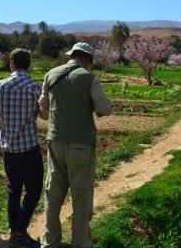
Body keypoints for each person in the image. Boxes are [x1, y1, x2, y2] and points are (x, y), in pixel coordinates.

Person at [38, 42, 113, 248]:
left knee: (53, 193)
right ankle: (80, 242)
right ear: (87, 59)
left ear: (71, 55)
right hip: (81, 143)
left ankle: (50, 242)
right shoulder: (89, 78)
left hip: (55, 140)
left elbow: (43, 110)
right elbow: (104, 109)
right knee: (81, 196)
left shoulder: (51, 74)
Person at [0, 48, 45, 247]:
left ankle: (14, 231)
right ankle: (20, 230)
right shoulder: (35, 87)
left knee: (14, 190)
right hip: (29, 147)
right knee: (34, 190)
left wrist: (3, 114)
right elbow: (44, 115)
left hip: (8, 148)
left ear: (11, 64)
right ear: (29, 65)